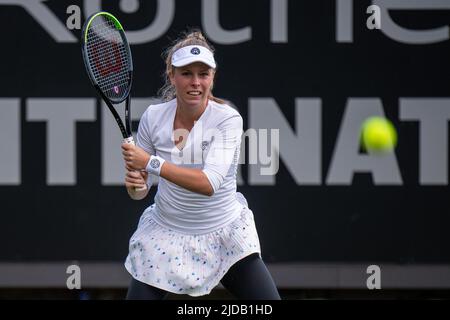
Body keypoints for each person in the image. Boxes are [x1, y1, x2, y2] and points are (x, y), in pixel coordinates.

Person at [121, 30, 280, 300]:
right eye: (186, 73)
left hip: (225, 237)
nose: (195, 82)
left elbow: (208, 184)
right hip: (164, 237)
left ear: (212, 77)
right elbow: (140, 191)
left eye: (203, 74)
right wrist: (136, 184)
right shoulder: (153, 117)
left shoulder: (228, 119)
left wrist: (150, 162)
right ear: (172, 75)